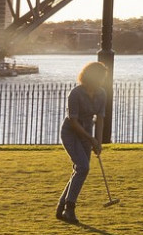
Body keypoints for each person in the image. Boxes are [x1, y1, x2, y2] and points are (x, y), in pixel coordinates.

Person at [57, 62, 110, 224]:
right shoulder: (75, 93)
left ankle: (61, 208)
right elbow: (73, 122)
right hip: (71, 133)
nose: (101, 81)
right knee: (83, 167)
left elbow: (100, 120)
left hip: (86, 134)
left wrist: (98, 142)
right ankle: (69, 209)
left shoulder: (101, 94)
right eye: (99, 77)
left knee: (79, 169)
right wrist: (91, 138)